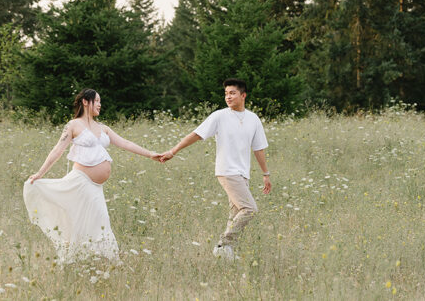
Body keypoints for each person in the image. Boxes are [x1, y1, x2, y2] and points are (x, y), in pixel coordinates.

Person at [23, 88, 162, 264]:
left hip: (96, 187)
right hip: (81, 182)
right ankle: (105, 262)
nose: (99, 105)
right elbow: (58, 150)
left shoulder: (102, 128)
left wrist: (151, 154)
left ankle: (91, 261)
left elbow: (125, 143)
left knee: (94, 222)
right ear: (85, 102)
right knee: (99, 220)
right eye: (96, 101)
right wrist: (40, 173)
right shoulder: (73, 125)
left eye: (100, 102)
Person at [160, 78, 271, 260]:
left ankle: (226, 253)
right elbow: (196, 134)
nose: (228, 97)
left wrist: (265, 174)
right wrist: (173, 151)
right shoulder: (219, 116)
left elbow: (258, 148)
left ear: (243, 95)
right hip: (227, 171)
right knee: (249, 209)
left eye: (232, 93)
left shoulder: (253, 119)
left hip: (243, 173)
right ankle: (223, 244)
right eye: (226, 93)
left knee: (235, 213)